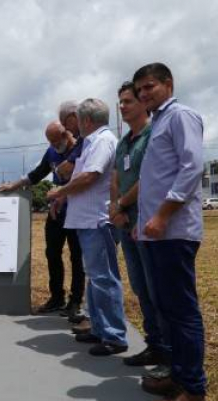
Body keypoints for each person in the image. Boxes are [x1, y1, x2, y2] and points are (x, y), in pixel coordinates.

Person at [132, 62, 207, 401]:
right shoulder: (158, 121)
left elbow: (192, 167)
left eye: (149, 87)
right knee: (166, 308)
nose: (144, 94)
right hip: (155, 233)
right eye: (140, 90)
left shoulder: (181, 116)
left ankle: (192, 389)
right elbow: (153, 178)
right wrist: (144, 221)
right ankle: (177, 374)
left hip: (174, 231)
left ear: (168, 84)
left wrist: (161, 215)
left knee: (181, 311)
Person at [47, 98, 128, 357]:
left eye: (77, 121)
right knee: (95, 276)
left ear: (86, 121)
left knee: (104, 278)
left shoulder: (102, 141)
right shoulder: (91, 142)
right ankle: (99, 326)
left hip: (97, 220)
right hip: (86, 220)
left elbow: (89, 175)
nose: (73, 127)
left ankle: (114, 335)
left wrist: (60, 190)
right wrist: (63, 197)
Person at [0, 121, 85, 321]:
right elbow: (37, 174)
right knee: (52, 253)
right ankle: (56, 298)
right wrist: (14, 184)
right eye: (50, 142)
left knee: (76, 257)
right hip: (56, 211)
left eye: (56, 141)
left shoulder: (82, 148)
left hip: (78, 211)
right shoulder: (52, 153)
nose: (54, 145)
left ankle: (75, 302)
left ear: (66, 134)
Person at [109, 82, 169, 369]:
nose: (122, 106)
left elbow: (149, 179)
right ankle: (154, 345)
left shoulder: (153, 135)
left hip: (145, 223)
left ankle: (167, 352)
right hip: (124, 222)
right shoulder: (123, 142)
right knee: (141, 288)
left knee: (157, 289)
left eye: (128, 101)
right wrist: (115, 207)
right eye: (120, 102)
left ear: (144, 103)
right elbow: (117, 178)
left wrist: (121, 205)